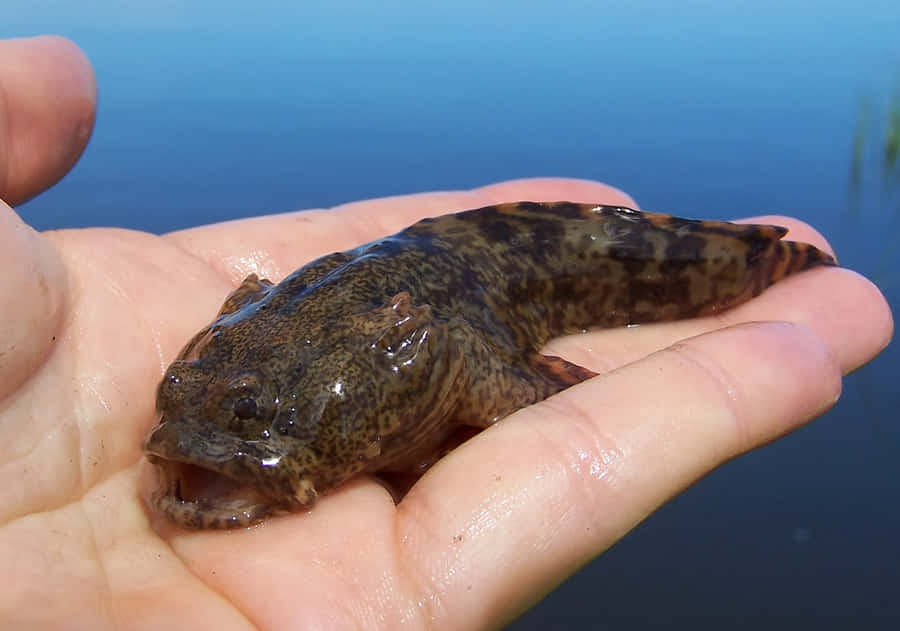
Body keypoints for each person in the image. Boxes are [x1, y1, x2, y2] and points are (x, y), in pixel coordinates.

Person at [0, 35, 892, 629]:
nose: (185, 445)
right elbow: (251, 301)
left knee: (752, 279)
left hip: (457, 281)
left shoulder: (450, 352)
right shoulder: (242, 353)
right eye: (193, 407)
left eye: (250, 419)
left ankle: (777, 265)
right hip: (399, 288)